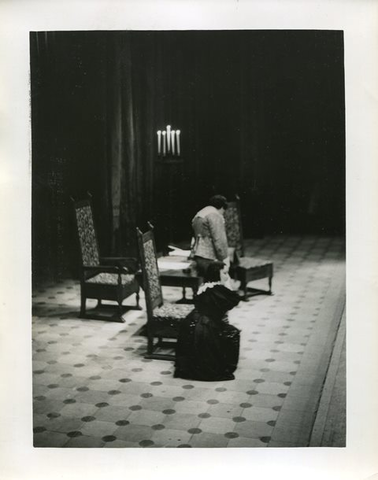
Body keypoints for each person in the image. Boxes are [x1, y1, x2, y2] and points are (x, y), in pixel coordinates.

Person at [174, 262, 241, 381]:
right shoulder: (217, 290)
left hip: (192, 322)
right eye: (224, 273)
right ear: (216, 274)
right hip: (204, 327)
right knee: (232, 333)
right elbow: (234, 299)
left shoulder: (205, 286)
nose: (227, 276)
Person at [191, 194, 231, 285]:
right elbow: (219, 239)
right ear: (221, 207)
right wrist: (225, 258)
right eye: (223, 211)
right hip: (210, 257)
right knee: (218, 283)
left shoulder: (199, 214)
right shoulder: (214, 215)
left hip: (198, 254)